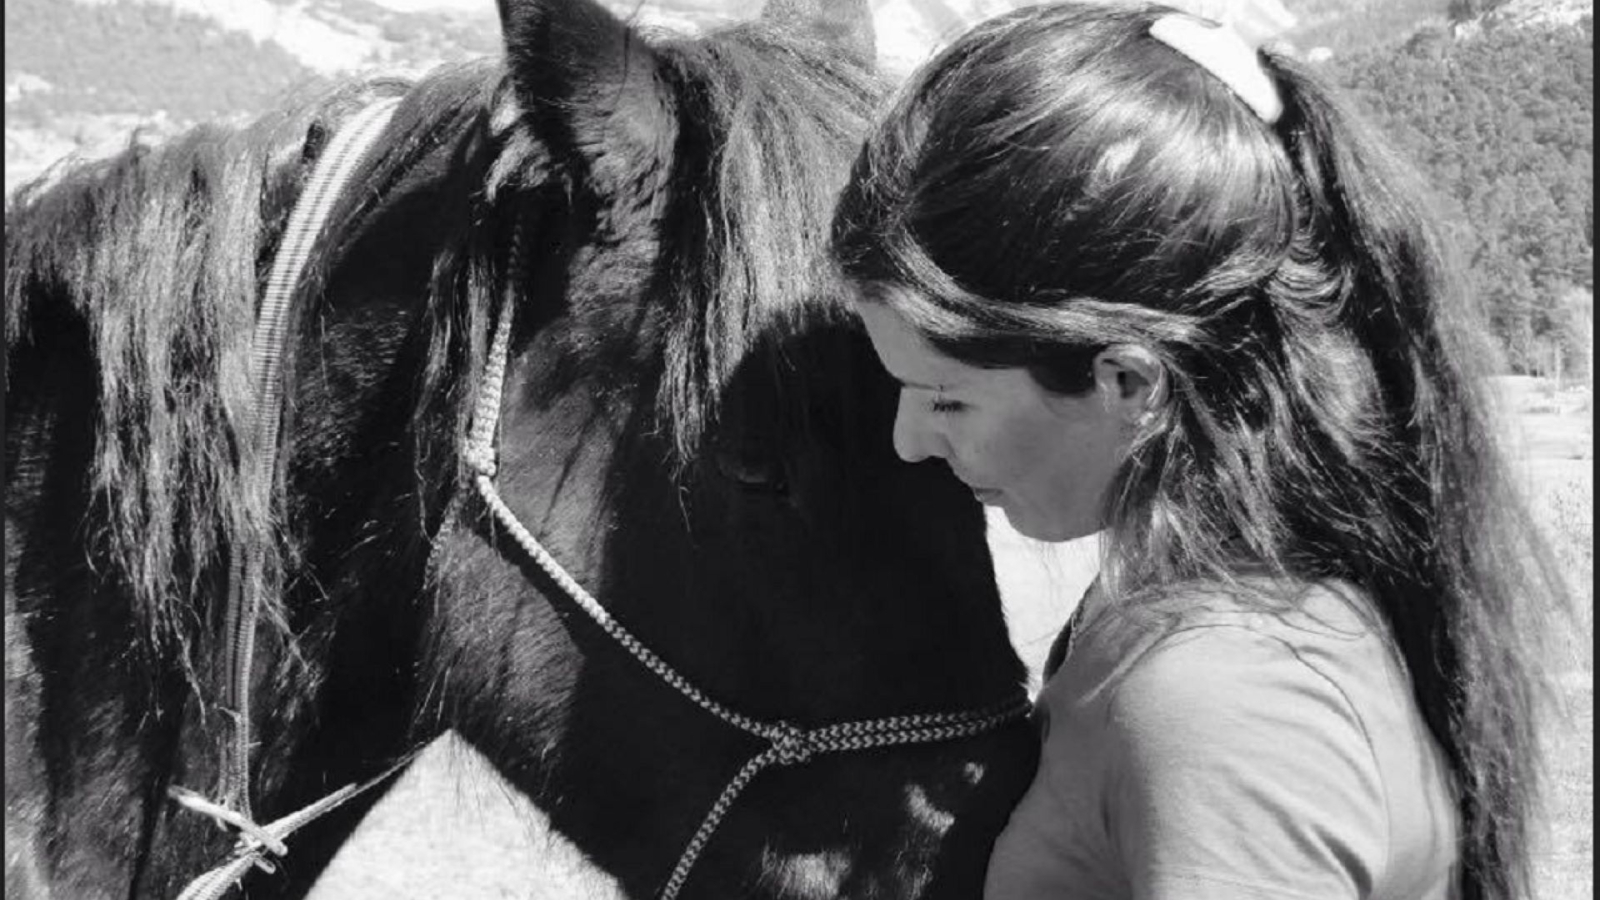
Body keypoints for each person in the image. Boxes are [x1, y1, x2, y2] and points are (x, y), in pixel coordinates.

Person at [829, 3, 1569, 898]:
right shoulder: (1182, 612)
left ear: (1129, 384)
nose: (909, 441)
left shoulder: (1215, 702)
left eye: (948, 396)